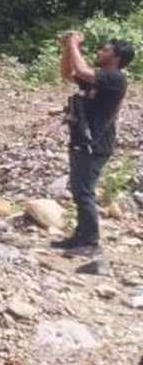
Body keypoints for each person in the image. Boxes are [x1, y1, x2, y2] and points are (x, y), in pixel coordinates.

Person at [51, 32, 132, 258]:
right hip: (82, 140)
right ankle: (80, 236)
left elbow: (84, 70)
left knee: (85, 192)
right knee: (78, 191)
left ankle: (91, 241)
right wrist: (68, 48)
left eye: (105, 50)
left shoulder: (114, 78)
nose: (99, 52)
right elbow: (68, 73)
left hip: (96, 143)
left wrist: (75, 44)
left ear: (116, 58)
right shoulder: (101, 77)